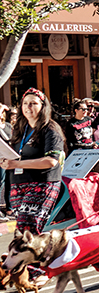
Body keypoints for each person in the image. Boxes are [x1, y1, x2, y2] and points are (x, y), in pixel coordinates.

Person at [1, 89, 66, 233]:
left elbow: (51, 161)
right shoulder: (20, 129)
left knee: (28, 230)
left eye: (33, 103)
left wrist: (16, 164)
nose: (28, 107)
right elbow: (15, 155)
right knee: (24, 231)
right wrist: (5, 162)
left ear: (43, 106)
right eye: (25, 103)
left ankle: (34, 255)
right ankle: (38, 254)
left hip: (41, 184)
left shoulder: (50, 129)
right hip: (18, 184)